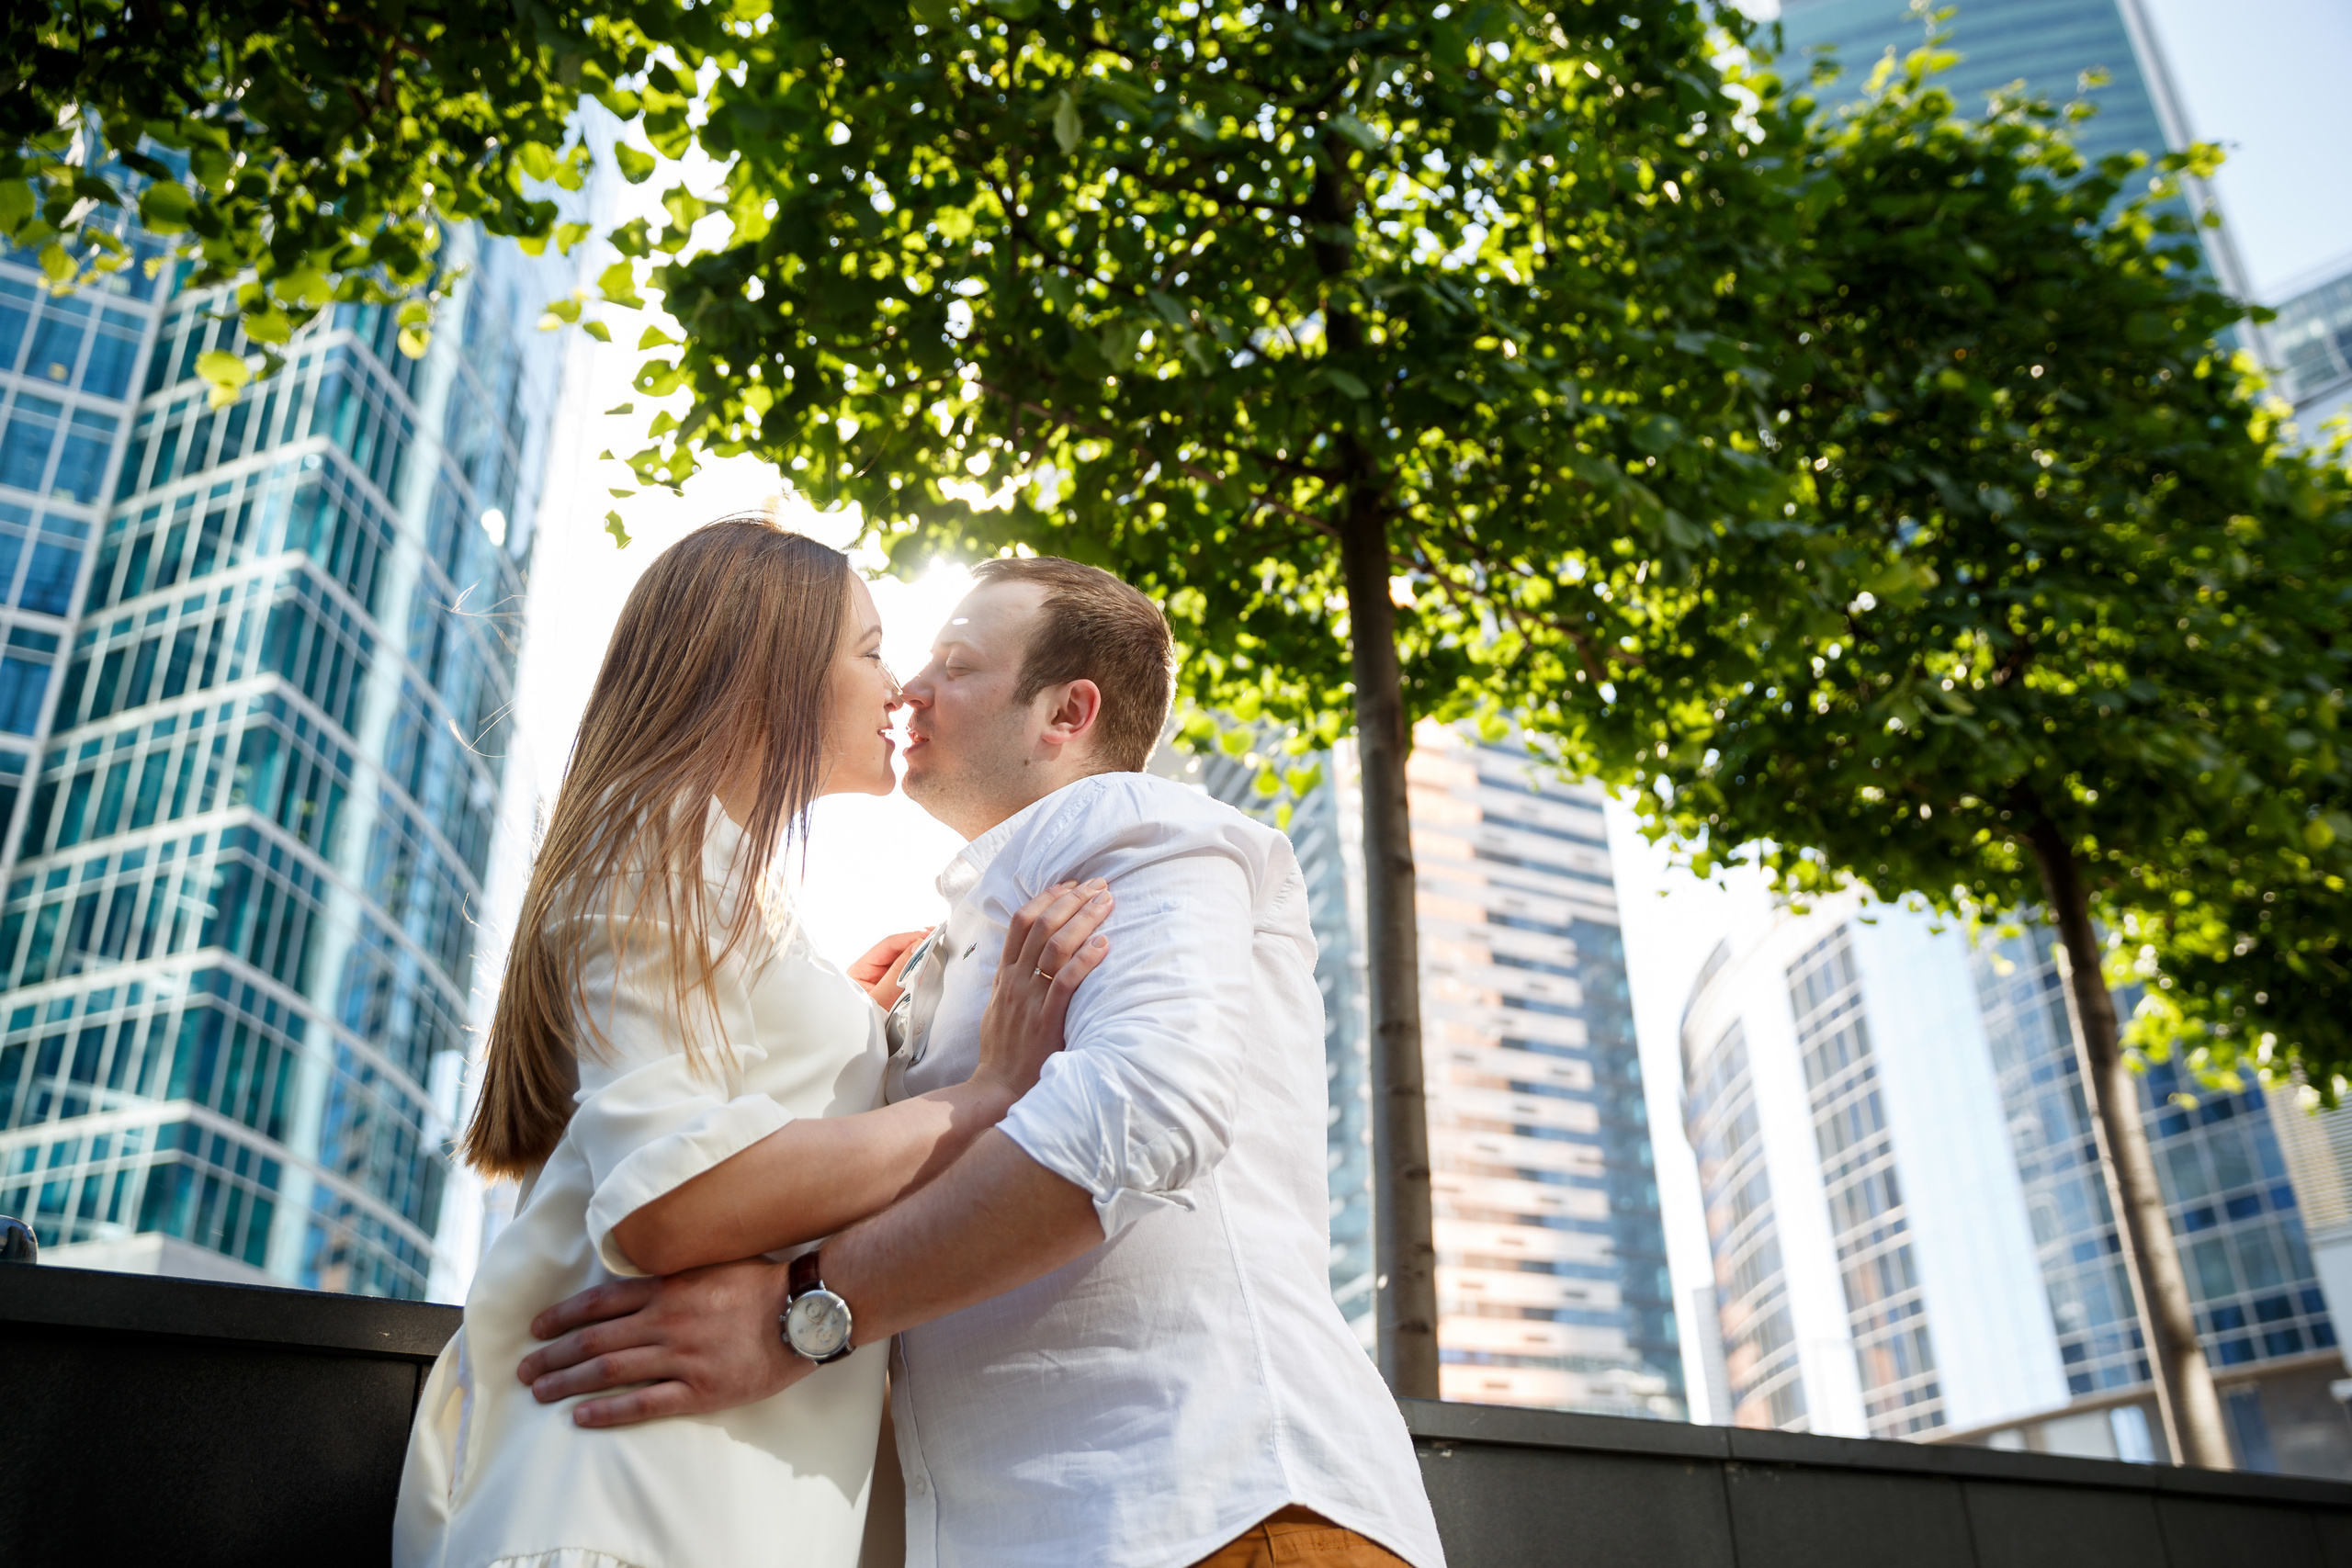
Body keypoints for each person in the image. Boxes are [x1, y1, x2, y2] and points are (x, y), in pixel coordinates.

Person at [515, 557, 1447, 1568]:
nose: (909, 688)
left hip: (1208, 1511)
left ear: (1065, 713)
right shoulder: (949, 948)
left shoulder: (1130, 824)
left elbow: (1144, 1106)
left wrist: (800, 1316)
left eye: (952, 664)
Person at [393, 519, 1115, 1568]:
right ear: (768, 666)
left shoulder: (707, 870)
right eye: (870, 650)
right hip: (628, 1508)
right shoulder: (662, 841)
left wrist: (859, 1036)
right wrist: (982, 1093)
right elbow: (668, 1201)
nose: (899, 689)